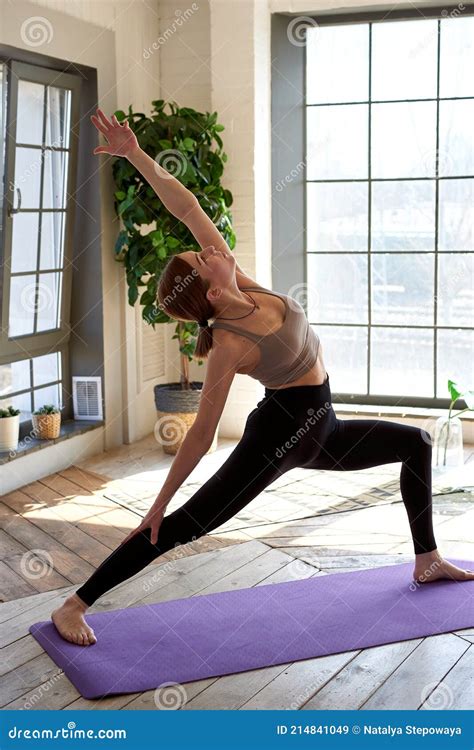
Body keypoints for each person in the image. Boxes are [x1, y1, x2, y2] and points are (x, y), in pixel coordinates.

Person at [51, 109, 474, 646]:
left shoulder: (235, 275)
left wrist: (134, 154)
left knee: (413, 443)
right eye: (200, 257)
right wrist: (157, 501)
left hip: (322, 423)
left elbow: (185, 204)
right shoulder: (227, 343)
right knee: (183, 525)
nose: (208, 249)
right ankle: (75, 604)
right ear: (207, 290)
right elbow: (202, 432)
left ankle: (428, 560)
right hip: (280, 435)